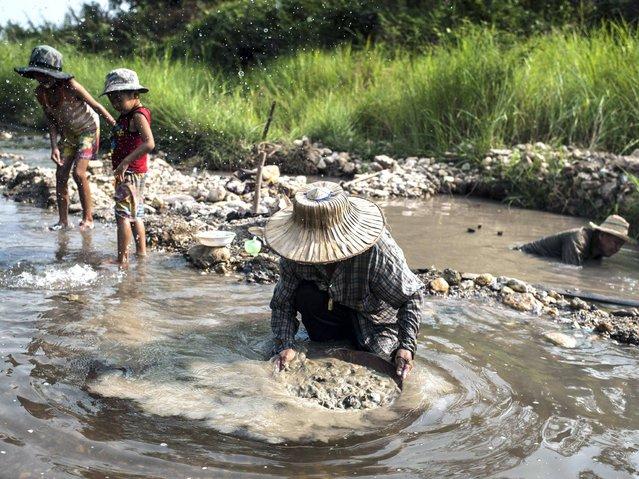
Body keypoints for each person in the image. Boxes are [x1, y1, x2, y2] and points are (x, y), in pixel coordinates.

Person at [265, 181, 425, 379]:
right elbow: (282, 304)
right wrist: (285, 345)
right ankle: (329, 342)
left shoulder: (377, 251)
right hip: (327, 313)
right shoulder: (294, 253)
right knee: (316, 332)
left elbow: (411, 295)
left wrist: (406, 346)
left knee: (380, 359)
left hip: (374, 318)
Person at [15, 45, 116, 231]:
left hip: (88, 130)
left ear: (53, 74)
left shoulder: (71, 86)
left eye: (43, 74)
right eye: (37, 73)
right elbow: (51, 121)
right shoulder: (40, 93)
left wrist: (117, 128)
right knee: (60, 175)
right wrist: (53, 146)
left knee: (78, 173)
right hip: (68, 134)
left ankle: (88, 219)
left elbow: (96, 107)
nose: (40, 77)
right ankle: (63, 221)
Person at [102, 68, 154, 266]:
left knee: (122, 216)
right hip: (133, 172)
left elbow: (149, 143)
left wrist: (124, 162)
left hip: (130, 172)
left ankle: (121, 259)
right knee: (135, 214)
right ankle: (141, 254)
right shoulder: (127, 115)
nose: (115, 104)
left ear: (135, 95)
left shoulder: (138, 116)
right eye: (112, 100)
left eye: (119, 99)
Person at [516, 214, 635, 265]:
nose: (617, 248)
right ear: (602, 235)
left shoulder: (599, 249)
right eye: (615, 242)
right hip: (522, 253)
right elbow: (569, 270)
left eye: (620, 245)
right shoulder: (578, 239)